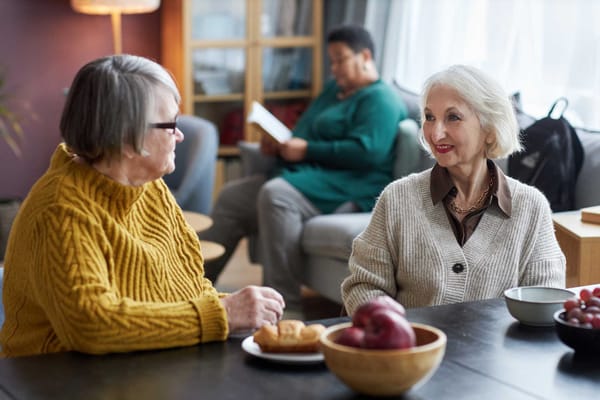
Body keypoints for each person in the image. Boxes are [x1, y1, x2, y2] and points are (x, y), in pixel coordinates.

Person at [0, 55, 284, 357]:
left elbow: (187, 287)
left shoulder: (147, 186)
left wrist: (241, 309)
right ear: (127, 137)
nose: (180, 135)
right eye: (170, 123)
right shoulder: (60, 210)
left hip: (136, 366)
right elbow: (92, 325)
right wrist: (223, 313)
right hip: (54, 380)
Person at [200, 25, 407, 314]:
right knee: (233, 196)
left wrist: (306, 150)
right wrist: (281, 144)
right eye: (331, 60)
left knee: (276, 194)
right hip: (307, 175)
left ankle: (283, 307)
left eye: (340, 59)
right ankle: (193, 288)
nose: (334, 68)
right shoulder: (334, 91)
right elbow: (304, 130)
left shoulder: (380, 99)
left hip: (350, 183)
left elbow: (367, 152)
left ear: (365, 55)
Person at [342, 65, 566, 315]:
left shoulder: (531, 207)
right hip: (411, 350)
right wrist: (391, 329)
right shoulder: (397, 199)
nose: (436, 133)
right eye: (429, 117)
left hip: (497, 354)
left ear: (489, 131)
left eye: (453, 117)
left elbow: (545, 304)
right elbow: (363, 286)